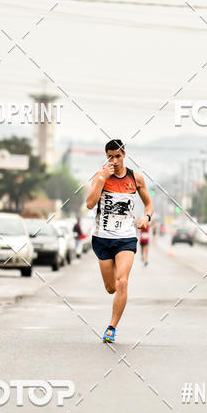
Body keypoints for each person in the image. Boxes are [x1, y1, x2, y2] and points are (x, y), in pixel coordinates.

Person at [86, 139, 153, 343]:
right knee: (111, 287)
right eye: (110, 157)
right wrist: (102, 179)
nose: (113, 160)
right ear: (106, 156)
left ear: (124, 154)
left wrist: (146, 218)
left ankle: (111, 328)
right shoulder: (100, 176)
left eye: (117, 156)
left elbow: (149, 204)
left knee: (122, 281)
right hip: (102, 238)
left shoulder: (136, 178)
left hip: (126, 238)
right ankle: (115, 288)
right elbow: (89, 204)